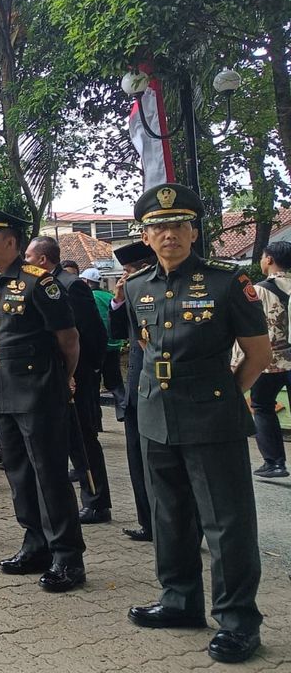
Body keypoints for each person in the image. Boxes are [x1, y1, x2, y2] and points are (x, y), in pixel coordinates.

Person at [119, 184, 271, 664]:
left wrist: (224, 394)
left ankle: (238, 620)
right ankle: (180, 600)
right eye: (159, 227)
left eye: (178, 225)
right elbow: (144, 349)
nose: (169, 234)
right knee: (169, 515)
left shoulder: (228, 283)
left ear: (193, 230)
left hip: (212, 418)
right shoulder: (138, 286)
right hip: (155, 416)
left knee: (226, 524)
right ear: (145, 236)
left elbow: (258, 353)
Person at [0, 204, 86, 593]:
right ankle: (34, 543)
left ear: (11, 241)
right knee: (19, 475)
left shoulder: (41, 282)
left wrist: (60, 381)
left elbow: (68, 341)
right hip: (5, 391)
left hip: (38, 392)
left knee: (50, 476)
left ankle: (68, 557)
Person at [25, 235, 111, 525]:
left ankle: (97, 501)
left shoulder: (71, 285)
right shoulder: (41, 285)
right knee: (68, 439)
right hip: (56, 375)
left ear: (42, 260)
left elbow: (90, 334)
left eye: (29, 257)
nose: (25, 263)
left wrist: (82, 374)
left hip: (77, 375)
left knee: (83, 438)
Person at [108, 241, 157, 542]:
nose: (124, 278)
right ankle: (148, 522)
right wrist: (118, 300)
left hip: (159, 389)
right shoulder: (132, 294)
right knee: (137, 457)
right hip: (136, 387)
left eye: (128, 272)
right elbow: (117, 334)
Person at [245, 240, 291, 478]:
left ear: (269, 259)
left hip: (271, 361)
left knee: (262, 407)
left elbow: (253, 329)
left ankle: (275, 463)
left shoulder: (259, 290)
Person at [83, 268, 128, 415]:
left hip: (97, 348)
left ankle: (96, 419)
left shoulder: (89, 297)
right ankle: (124, 411)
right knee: (115, 382)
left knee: (93, 384)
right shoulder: (109, 295)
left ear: (87, 282)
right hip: (114, 345)